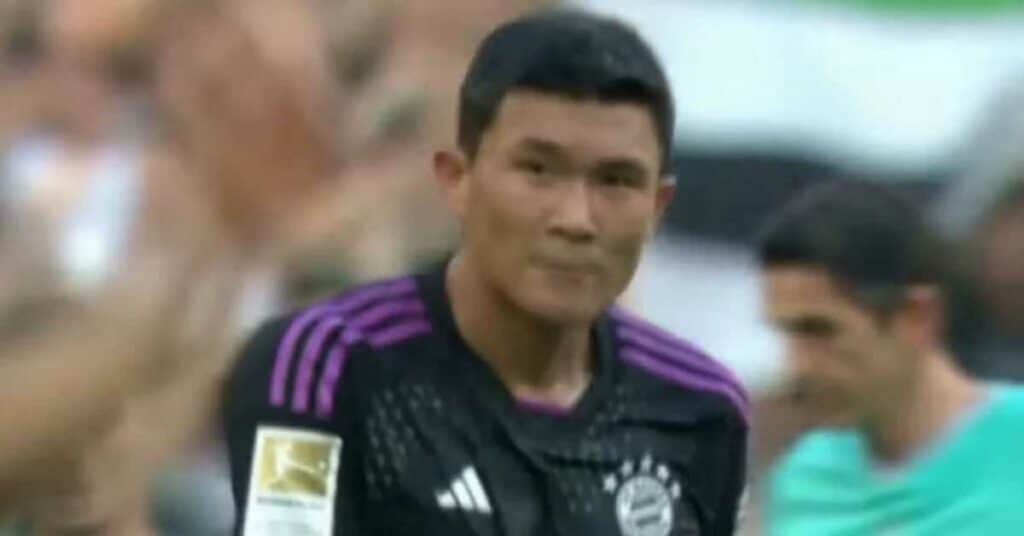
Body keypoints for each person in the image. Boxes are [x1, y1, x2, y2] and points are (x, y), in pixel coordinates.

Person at [224, 9, 749, 536]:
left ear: (657, 207)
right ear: (457, 179)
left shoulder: (703, 411)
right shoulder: (324, 365)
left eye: (615, 181)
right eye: (538, 170)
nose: (575, 219)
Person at [758, 182, 1024, 535]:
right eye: (787, 333)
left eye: (822, 331)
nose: (797, 367)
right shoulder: (803, 478)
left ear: (917, 316)